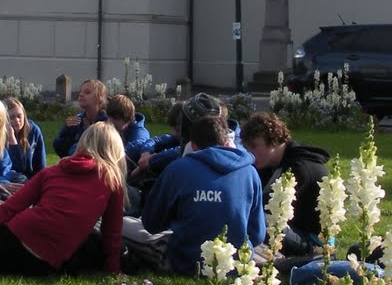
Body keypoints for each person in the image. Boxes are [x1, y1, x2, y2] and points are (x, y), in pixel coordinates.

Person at [0, 122, 126, 275]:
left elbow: (10, 207)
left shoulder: (51, 171)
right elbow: (112, 230)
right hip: (47, 260)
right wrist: (114, 269)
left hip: (11, 241)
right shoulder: (111, 179)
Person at [141, 111, 265, 275]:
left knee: (129, 229)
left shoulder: (179, 169)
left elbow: (151, 223)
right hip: (235, 266)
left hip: (186, 264)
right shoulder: (249, 173)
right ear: (227, 142)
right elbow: (257, 234)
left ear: (192, 146)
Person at [240, 111, 330, 259]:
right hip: (290, 232)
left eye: (254, 146)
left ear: (274, 141)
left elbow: (264, 208)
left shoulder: (301, 168)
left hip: (311, 241)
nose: (249, 153)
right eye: (246, 148)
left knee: (257, 217)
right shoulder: (269, 164)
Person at [53, 78, 108, 157]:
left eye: (87, 92)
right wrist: (66, 129)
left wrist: (91, 133)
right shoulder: (77, 121)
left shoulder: (107, 122)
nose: (81, 94)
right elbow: (59, 148)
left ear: (99, 98)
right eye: (80, 92)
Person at [4, 95, 46, 182]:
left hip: (31, 177)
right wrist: (12, 139)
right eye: (11, 117)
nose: (17, 120)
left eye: (19, 116)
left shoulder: (33, 130)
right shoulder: (1, 134)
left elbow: (40, 162)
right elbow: (18, 167)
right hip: (9, 177)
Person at [106, 93, 153, 166]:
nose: (110, 122)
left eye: (116, 118)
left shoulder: (140, 132)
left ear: (128, 120)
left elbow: (137, 146)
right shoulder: (111, 128)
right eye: (109, 117)